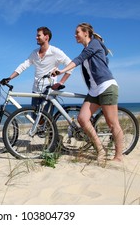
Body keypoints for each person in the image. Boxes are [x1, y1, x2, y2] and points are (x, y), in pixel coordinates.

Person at [52, 22, 124, 165]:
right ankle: (100, 149)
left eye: (77, 32)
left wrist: (61, 71)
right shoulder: (89, 49)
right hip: (94, 90)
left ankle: (119, 156)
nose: (75, 35)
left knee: (112, 123)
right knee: (82, 119)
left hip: (106, 87)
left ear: (86, 33)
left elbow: (79, 60)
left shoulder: (95, 43)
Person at [0, 26, 73, 110]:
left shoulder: (55, 51)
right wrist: (9, 78)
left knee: (46, 120)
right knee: (35, 120)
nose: (36, 37)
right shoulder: (34, 53)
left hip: (49, 90)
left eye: (39, 35)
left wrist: (61, 82)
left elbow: (71, 65)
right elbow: (23, 66)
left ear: (46, 37)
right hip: (36, 90)